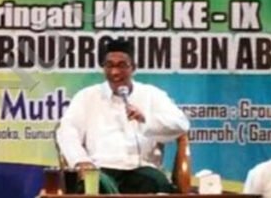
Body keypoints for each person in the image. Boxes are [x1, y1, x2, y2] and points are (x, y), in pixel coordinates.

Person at [56, 38, 190, 193]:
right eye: (109, 65)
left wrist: (145, 119)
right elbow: (67, 131)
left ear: (133, 68)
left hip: (142, 169)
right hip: (100, 168)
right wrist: (81, 161)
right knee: (94, 186)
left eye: (121, 65)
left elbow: (181, 125)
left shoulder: (152, 95)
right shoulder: (87, 96)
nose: (115, 72)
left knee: (158, 186)